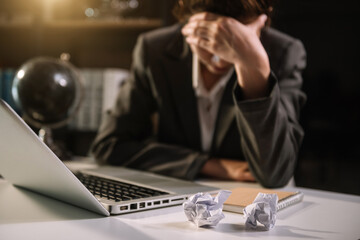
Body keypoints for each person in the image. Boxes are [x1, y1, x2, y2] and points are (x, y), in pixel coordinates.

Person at [90, 0, 306, 188]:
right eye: (206, 38)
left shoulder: (283, 53)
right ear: (186, 18)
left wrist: (255, 70)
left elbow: (274, 174)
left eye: (236, 40)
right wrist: (208, 165)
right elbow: (109, 146)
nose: (218, 59)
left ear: (264, 19)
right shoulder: (154, 50)